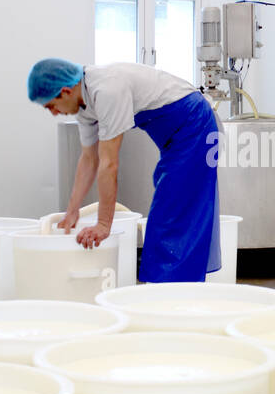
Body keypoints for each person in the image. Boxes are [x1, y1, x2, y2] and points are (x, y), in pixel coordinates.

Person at [27, 57, 221, 282]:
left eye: (51, 106)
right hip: (174, 138)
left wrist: (103, 224)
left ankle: (173, 292)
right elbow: (89, 160)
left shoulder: (107, 90)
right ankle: (167, 288)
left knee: (173, 209)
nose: (53, 113)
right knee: (172, 202)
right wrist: (72, 211)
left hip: (194, 124)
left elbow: (109, 163)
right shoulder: (84, 105)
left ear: (65, 92)